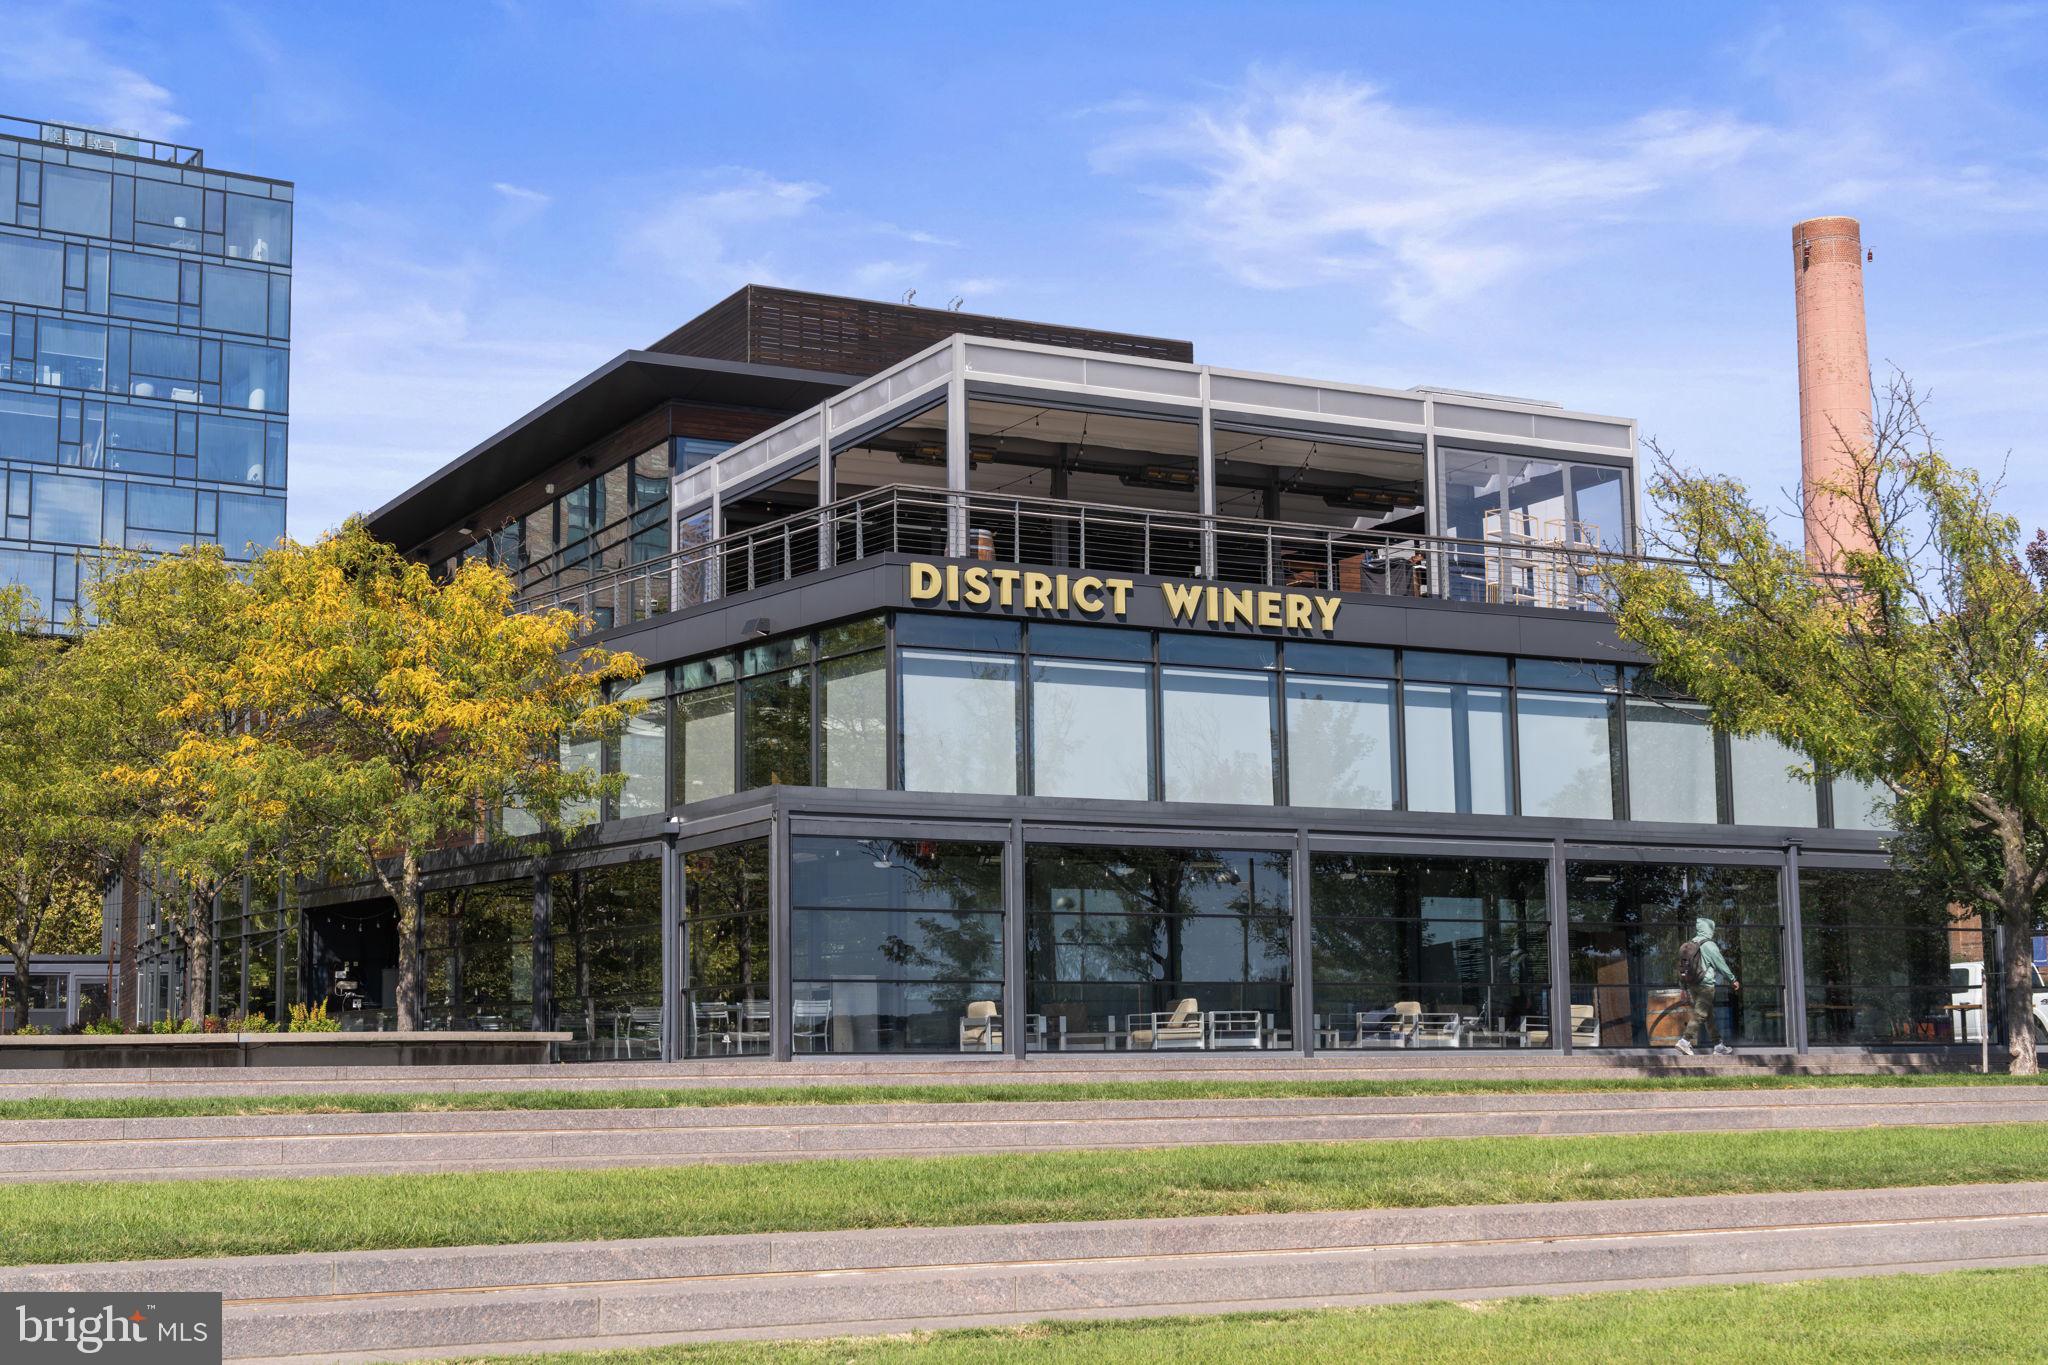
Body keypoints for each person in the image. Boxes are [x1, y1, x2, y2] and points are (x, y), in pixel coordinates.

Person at [1674, 916, 1739, 1056]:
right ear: (1709, 929)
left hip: (1692, 984)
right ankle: (1685, 1041)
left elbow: (1682, 967)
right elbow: (1720, 963)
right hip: (1705, 985)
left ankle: (1718, 1045)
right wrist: (1732, 979)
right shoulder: (1708, 945)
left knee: (1708, 1016)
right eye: (1712, 929)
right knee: (1701, 1013)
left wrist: (1683, 986)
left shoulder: (1690, 944)